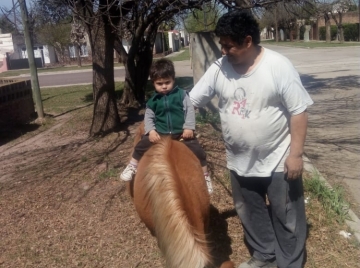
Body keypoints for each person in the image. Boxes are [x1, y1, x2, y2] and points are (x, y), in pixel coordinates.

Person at [189, 10, 313, 268]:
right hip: (240, 160)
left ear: (247, 41)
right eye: (221, 44)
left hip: (279, 159)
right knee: (250, 211)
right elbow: (191, 101)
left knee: (287, 216)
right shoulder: (219, 68)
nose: (222, 51)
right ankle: (264, 256)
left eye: (228, 45)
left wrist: (296, 155)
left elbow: (298, 112)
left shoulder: (278, 66)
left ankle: (289, 263)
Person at [120, 58, 213, 194]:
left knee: (199, 151)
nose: (164, 87)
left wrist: (189, 127)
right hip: (161, 133)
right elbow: (149, 117)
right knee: (140, 145)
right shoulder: (153, 101)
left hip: (181, 133)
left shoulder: (181, 95)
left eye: (167, 82)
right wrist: (151, 131)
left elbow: (189, 111)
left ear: (173, 79)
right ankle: (132, 166)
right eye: (159, 84)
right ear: (153, 84)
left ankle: (205, 177)